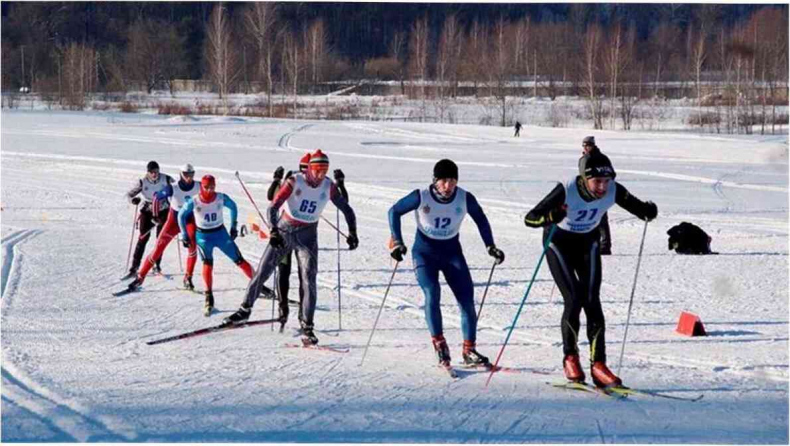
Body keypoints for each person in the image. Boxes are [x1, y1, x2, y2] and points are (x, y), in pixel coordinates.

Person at [524, 151, 657, 388]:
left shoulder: (614, 189)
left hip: (587, 243)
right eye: (598, 181)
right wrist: (551, 216)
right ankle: (570, 357)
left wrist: (648, 211)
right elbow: (530, 219)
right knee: (574, 298)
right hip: (559, 243)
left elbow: (637, 207)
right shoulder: (566, 189)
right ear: (584, 178)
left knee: (592, 300)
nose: (603, 187)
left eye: (606, 181)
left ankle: (598, 365)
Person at [223, 150, 358, 346]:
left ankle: (307, 326)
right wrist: (274, 230)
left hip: (308, 235)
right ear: (310, 168)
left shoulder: (328, 186)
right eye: (318, 170)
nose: (321, 175)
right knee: (263, 271)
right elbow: (273, 206)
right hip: (285, 230)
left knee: (308, 279)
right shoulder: (295, 181)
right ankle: (244, 310)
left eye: (324, 170)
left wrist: (352, 232)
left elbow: (347, 209)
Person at [388, 159, 505, 370]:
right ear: (435, 181)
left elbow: (481, 219)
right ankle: (439, 344)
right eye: (443, 181)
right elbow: (394, 211)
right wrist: (397, 241)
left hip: (452, 253)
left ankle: (469, 350)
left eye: (452, 181)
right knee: (432, 292)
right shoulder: (421, 196)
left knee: (467, 300)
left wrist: (490, 246)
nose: (448, 186)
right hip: (424, 253)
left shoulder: (464, 198)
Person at [179, 175, 256, 316]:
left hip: (221, 234)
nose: (209, 190)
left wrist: (233, 226)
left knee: (239, 260)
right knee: (207, 264)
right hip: (203, 237)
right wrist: (184, 235)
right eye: (206, 187)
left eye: (212, 187)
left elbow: (233, 206)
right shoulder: (194, 201)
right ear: (201, 186)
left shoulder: (220, 197)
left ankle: (257, 283)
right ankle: (209, 296)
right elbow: (181, 216)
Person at [124, 164, 199, 292]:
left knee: (192, 247)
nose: (188, 177)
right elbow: (155, 197)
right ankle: (137, 273)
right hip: (165, 217)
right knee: (150, 241)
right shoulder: (146, 182)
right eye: (186, 174)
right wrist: (154, 214)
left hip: (183, 218)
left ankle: (186, 277)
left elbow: (209, 196)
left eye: (191, 174)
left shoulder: (172, 180)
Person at [123, 161, 173, 280]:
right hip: (147, 210)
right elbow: (129, 195)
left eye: (156, 171)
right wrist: (133, 200)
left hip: (163, 210)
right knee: (143, 237)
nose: (154, 174)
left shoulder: (166, 179)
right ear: (147, 172)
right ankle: (134, 268)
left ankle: (157, 265)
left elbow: (177, 189)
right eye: (151, 172)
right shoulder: (142, 181)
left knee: (160, 239)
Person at [580, 136, 612, 255]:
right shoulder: (602, 157)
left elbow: (583, 176)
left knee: (596, 219)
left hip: (592, 192)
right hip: (600, 191)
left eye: (588, 145)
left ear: (593, 145)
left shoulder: (587, 158)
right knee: (599, 218)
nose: (586, 147)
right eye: (584, 145)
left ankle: (602, 245)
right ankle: (603, 245)